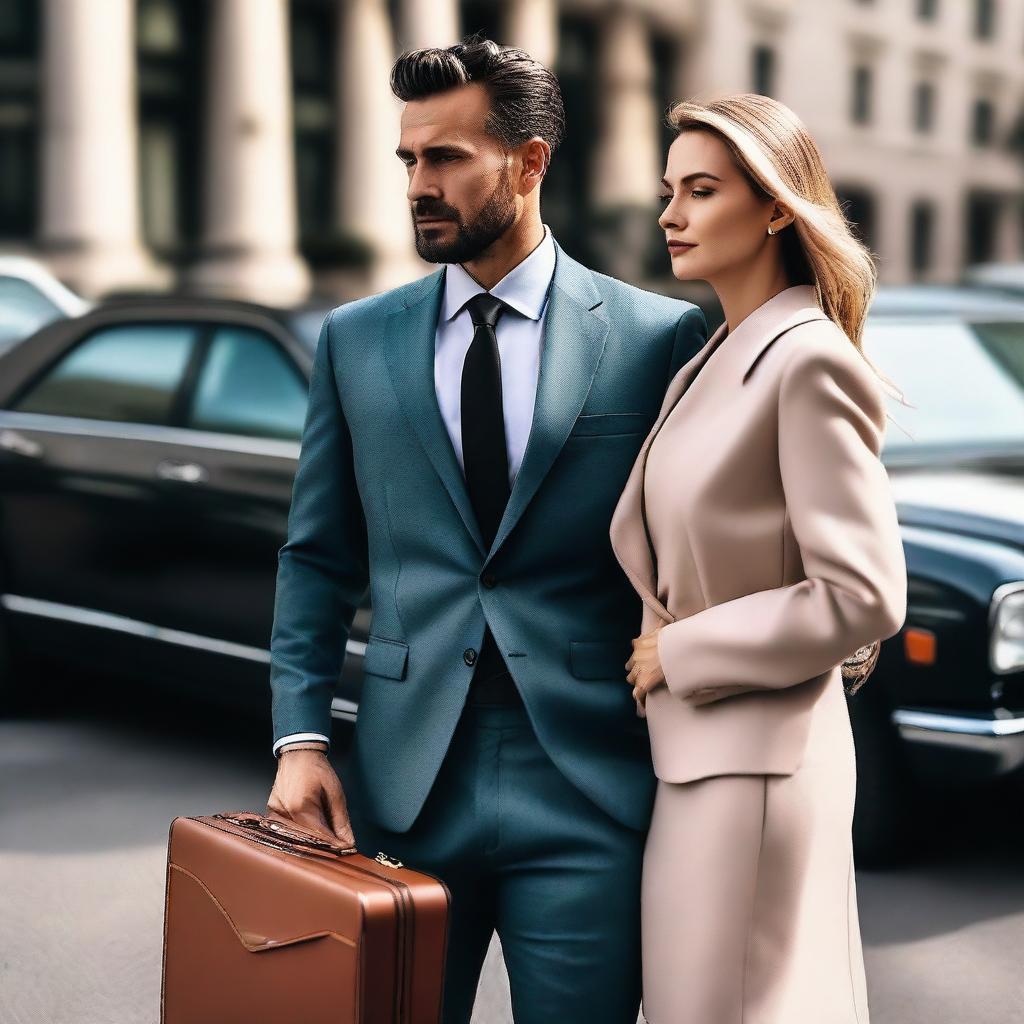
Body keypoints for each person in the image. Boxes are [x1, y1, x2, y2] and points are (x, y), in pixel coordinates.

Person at [265, 37, 708, 1024]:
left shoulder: (656, 339)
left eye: (447, 157)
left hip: (590, 784)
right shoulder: (355, 339)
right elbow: (317, 554)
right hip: (402, 784)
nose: (419, 184)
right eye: (409, 160)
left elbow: (694, 558)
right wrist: (300, 737)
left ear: (530, 160)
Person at [609, 93, 908, 1023]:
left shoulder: (805, 360)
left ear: (778, 206)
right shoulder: (712, 357)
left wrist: (683, 651)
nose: (670, 214)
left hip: (759, 767)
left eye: (702, 190)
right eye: (669, 190)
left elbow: (862, 595)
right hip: (705, 763)